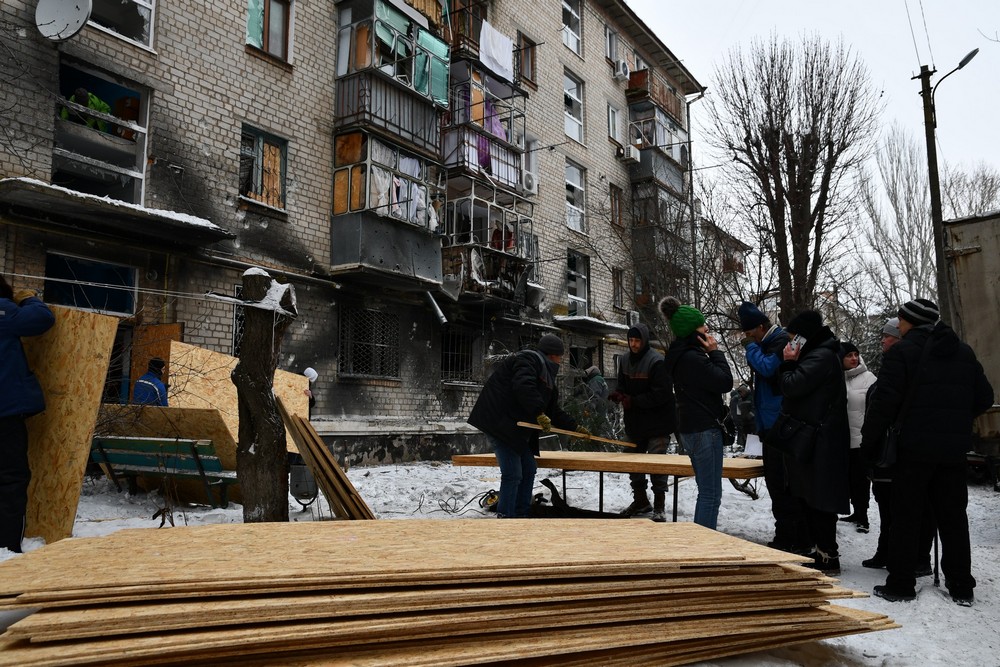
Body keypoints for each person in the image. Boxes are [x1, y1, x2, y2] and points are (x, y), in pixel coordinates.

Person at [862, 299, 994, 606]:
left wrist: (869, 447)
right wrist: (957, 419)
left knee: (907, 517)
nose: (899, 323)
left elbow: (884, 406)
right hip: (952, 451)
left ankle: (901, 583)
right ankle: (961, 586)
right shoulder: (962, 352)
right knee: (953, 518)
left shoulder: (902, 353)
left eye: (901, 319)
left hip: (912, 451)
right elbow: (984, 397)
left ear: (911, 322)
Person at [468, 334, 588, 518]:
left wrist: (574, 427)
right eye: (560, 356)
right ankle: (506, 516)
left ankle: (521, 513)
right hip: (498, 422)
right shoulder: (528, 360)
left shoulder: (545, 376)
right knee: (513, 473)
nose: (561, 361)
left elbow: (553, 411)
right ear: (552, 355)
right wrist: (539, 413)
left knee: (529, 467)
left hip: (512, 427)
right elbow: (523, 386)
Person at [775, 310, 850, 574]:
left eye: (792, 337)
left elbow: (791, 386)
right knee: (810, 495)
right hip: (816, 437)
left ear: (803, 338)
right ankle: (820, 552)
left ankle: (827, 554)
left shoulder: (820, 356)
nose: (789, 344)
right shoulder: (820, 354)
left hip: (819, 439)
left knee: (819, 499)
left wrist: (787, 362)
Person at [862, 317, 934, 576]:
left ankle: (919, 558)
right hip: (884, 450)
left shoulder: (911, 367)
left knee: (912, 508)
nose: (883, 339)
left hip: (900, 450)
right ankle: (886, 550)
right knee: (885, 504)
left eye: (889, 335)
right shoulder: (889, 368)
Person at [739, 301, 809, 553]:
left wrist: (751, 349)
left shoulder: (779, 342)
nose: (748, 339)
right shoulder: (772, 342)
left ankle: (790, 536)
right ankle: (788, 534)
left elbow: (768, 367)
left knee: (782, 484)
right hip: (771, 424)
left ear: (760, 326)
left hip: (779, 425)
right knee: (778, 483)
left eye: (750, 334)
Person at [661, 297, 733, 530]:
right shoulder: (693, 358)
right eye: (704, 327)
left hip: (691, 429)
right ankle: (704, 548)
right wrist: (716, 352)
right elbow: (724, 382)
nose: (708, 330)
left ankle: (701, 544)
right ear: (694, 332)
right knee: (710, 495)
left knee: (706, 492)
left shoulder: (678, 356)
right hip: (704, 431)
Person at [0, 275, 56, 553]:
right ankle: (7, 548)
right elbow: (41, 319)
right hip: (5, 414)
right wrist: (29, 298)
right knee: (11, 477)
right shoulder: (3, 312)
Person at [609, 323, 676, 521]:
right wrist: (619, 394)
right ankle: (640, 500)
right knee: (631, 459)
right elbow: (622, 383)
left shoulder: (656, 361)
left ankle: (659, 505)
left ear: (644, 341)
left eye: (637, 340)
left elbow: (662, 394)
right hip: (636, 422)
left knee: (656, 464)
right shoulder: (625, 359)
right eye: (631, 340)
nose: (634, 344)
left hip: (658, 422)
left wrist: (634, 401)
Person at [839, 341, 877, 533]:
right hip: (841, 439)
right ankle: (853, 511)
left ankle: (862, 515)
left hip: (861, 439)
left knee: (861, 480)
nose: (854, 358)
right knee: (846, 478)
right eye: (849, 355)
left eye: (856, 354)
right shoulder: (836, 378)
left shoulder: (869, 378)